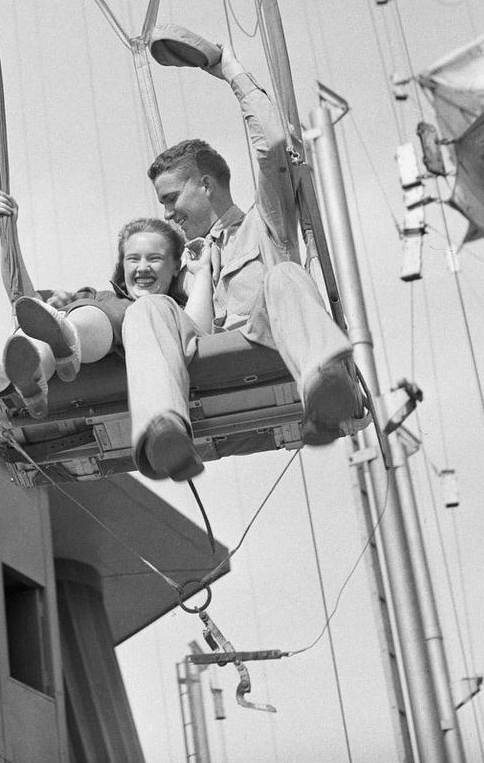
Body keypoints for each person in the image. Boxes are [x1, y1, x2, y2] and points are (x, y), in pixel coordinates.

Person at [120, 26, 363, 480]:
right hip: (204, 355)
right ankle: (166, 431)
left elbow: (273, 145)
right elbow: (181, 331)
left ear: (206, 184)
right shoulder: (184, 265)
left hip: (267, 337)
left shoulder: (263, 223)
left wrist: (227, 67)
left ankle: (325, 386)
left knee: (284, 276)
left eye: (171, 199)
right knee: (147, 309)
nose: (167, 214)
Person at [0, 198, 213, 420]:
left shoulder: (172, 310)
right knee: (61, 316)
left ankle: (66, 337)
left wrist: (202, 272)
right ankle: (36, 372)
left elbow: (200, 334)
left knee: (121, 311)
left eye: (154, 259)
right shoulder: (100, 297)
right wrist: (7, 236)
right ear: (123, 264)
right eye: (133, 259)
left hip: (128, 330)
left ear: (176, 266)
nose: (143, 268)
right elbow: (23, 301)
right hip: (84, 334)